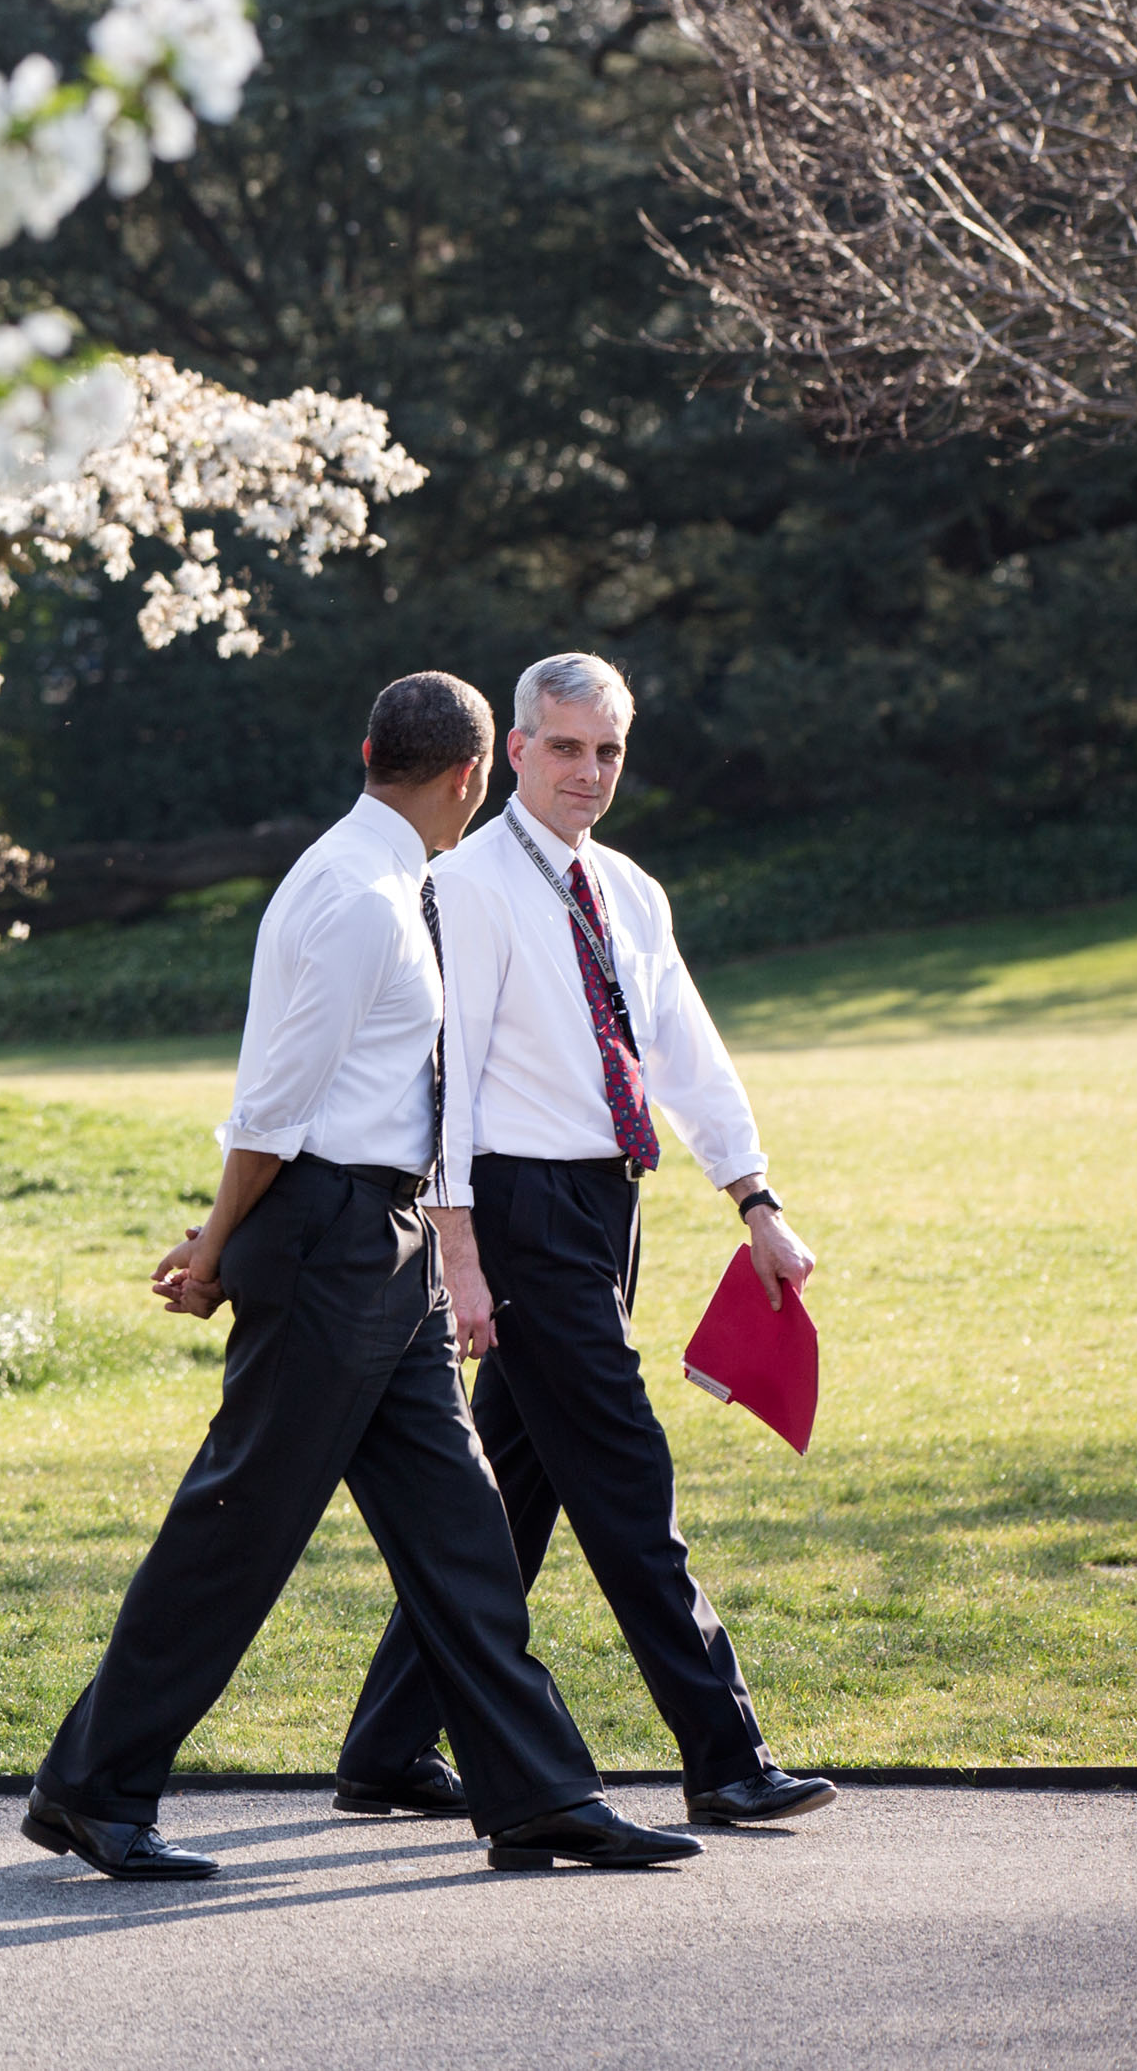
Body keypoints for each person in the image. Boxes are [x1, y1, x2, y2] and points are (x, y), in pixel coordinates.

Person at [22, 672, 697, 1881]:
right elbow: (273, 1103)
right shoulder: (360, 896)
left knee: (463, 1533)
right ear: (470, 776)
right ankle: (93, 1787)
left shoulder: (387, 879)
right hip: (330, 1237)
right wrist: (219, 1243)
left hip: (381, 1243)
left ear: (371, 749)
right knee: (237, 1526)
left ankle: (540, 1793)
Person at [331, 651, 837, 1832]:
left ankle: (386, 1749)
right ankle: (724, 1753)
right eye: (565, 747)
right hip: (515, 1210)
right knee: (625, 1475)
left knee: (516, 1489)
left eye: (608, 749)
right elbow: (442, 1085)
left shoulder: (631, 890)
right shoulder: (469, 888)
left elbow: (685, 1051)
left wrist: (753, 1199)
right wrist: (457, 1247)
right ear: (513, 751)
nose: (589, 771)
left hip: (608, 1206)